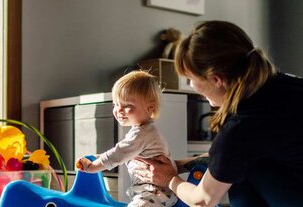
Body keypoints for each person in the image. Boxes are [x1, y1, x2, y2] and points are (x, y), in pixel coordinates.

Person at [135, 20, 303, 207]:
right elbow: (231, 156)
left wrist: (169, 179)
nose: (191, 86)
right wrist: (179, 164)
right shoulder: (286, 85)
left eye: (190, 79)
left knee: (240, 171)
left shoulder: (242, 128)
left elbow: (203, 199)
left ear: (217, 80)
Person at [75, 70, 178, 207]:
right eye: (115, 104)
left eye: (127, 105)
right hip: (153, 192)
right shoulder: (142, 131)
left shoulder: (142, 134)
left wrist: (93, 167)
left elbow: (119, 154)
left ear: (150, 108)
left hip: (155, 193)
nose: (118, 110)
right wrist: (99, 157)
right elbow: (127, 155)